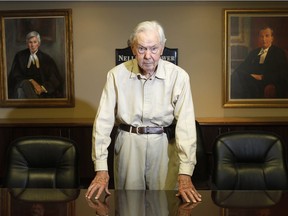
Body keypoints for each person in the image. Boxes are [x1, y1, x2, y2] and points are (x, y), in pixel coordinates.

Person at [86, 21, 201, 203]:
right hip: (128, 144)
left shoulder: (179, 76)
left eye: (154, 48)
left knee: (164, 206)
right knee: (128, 205)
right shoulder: (115, 75)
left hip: (163, 145)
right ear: (133, 48)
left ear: (162, 48)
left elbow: (186, 127)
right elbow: (103, 122)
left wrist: (185, 172)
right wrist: (101, 168)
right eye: (141, 49)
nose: (148, 55)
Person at [231, 26, 288, 99]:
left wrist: (262, 77)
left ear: (272, 38)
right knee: (237, 75)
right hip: (250, 80)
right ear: (258, 38)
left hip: (264, 82)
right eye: (261, 36)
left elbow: (283, 74)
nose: (264, 39)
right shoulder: (254, 53)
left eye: (267, 36)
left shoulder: (278, 53)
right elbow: (242, 67)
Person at [8, 31, 63, 99]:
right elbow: (15, 75)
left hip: (42, 92)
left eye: (35, 42)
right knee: (24, 85)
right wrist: (31, 81)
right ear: (27, 44)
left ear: (38, 44)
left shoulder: (47, 59)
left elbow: (55, 78)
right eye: (30, 42)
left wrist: (42, 88)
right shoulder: (19, 56)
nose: (32, 45)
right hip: (23, 89)